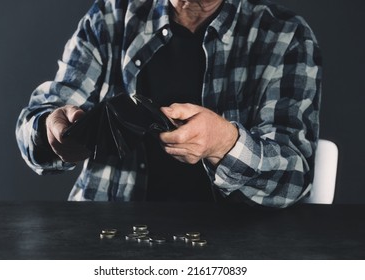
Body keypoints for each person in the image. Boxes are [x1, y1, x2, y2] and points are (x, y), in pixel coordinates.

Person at [16, 0, 321, 207]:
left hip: (234, 245)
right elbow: (39, 121)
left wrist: (225, 143)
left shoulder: (284, 34)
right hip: (110, 230)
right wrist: (51, 131)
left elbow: (294, 179)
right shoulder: (111, 15)